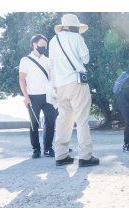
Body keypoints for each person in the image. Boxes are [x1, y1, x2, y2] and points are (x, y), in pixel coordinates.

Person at [49, 14, 99, 167]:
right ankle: (85, 156)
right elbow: (86, 59)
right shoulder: (77, 38)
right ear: (73, 27)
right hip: (76, 83)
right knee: (82, 120)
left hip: (60, 85)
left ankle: (61, 155)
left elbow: (51, 66)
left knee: (63, 120)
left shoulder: (53, 41)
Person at [19, 34, 57, 159]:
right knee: (33, 123)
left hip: (48, 96)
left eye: (45, 46)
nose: (44, 47)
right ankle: (36, 149)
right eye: (42, 45)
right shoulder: (25, 60)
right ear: (35, 45)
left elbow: (53, 78)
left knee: (50, 122)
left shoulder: (48, 60)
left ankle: (48, 148)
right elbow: (22, 80)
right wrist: (26, 97)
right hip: (32, 97)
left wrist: (56, 92)